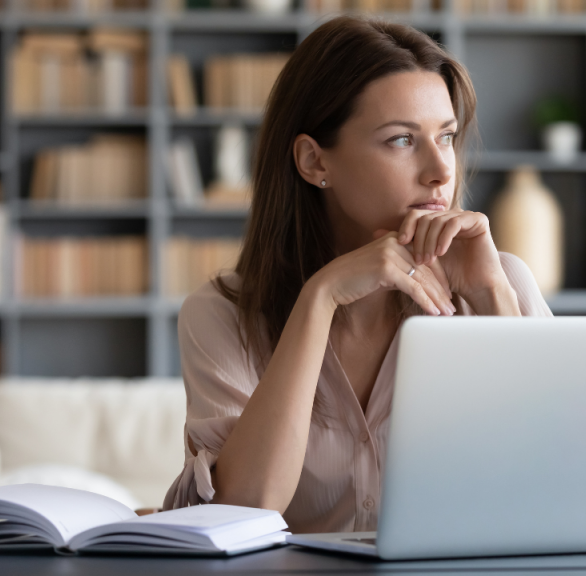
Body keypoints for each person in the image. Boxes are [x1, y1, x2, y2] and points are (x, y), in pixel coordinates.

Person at [163, 15, 553, 533]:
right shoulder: (221, 315)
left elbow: (556, 480)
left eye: (448, 137)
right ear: (313, 161)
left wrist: (490, 297)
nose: (440, 169)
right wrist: (319, 299)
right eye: (400, 140)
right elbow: (244, 508)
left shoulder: (499, 281)